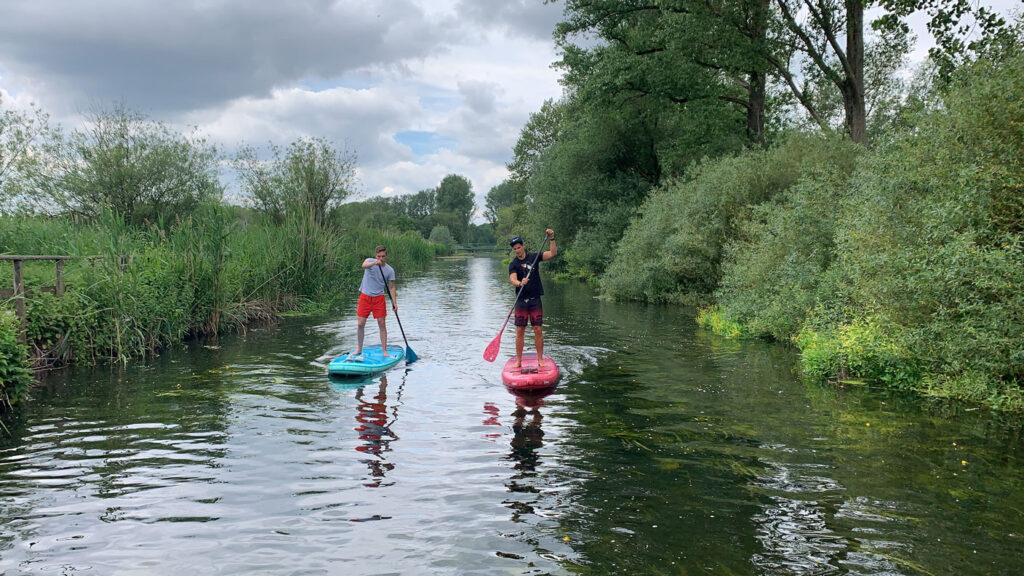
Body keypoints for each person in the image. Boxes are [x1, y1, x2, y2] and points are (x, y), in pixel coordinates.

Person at [508, 229, 556, 371]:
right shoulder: (513, 264)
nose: (517, 250)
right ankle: (518, 360)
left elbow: (553, 253)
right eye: (514, 248)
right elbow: (512, 279)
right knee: (520, 331)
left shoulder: (534, 257)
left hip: (535, 299)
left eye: (518, 247)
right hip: (521, 301)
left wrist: (552, 238)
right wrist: (519, 283)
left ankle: (540, 359)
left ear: (523, 246)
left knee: (537, 329)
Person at [353, 245, 397, 359]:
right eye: (379, 256)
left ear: (386, 256)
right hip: (365, 296)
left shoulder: (389, 270)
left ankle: (384, 350)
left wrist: (394, 303)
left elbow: (391, 287)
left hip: (379, 298)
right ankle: (359, 349)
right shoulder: (369, 262)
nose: (381, 258)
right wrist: (374, 263)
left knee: (382, 323)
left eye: (383, 256)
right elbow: (363, 265)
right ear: (375, 255)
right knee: (360, 324)